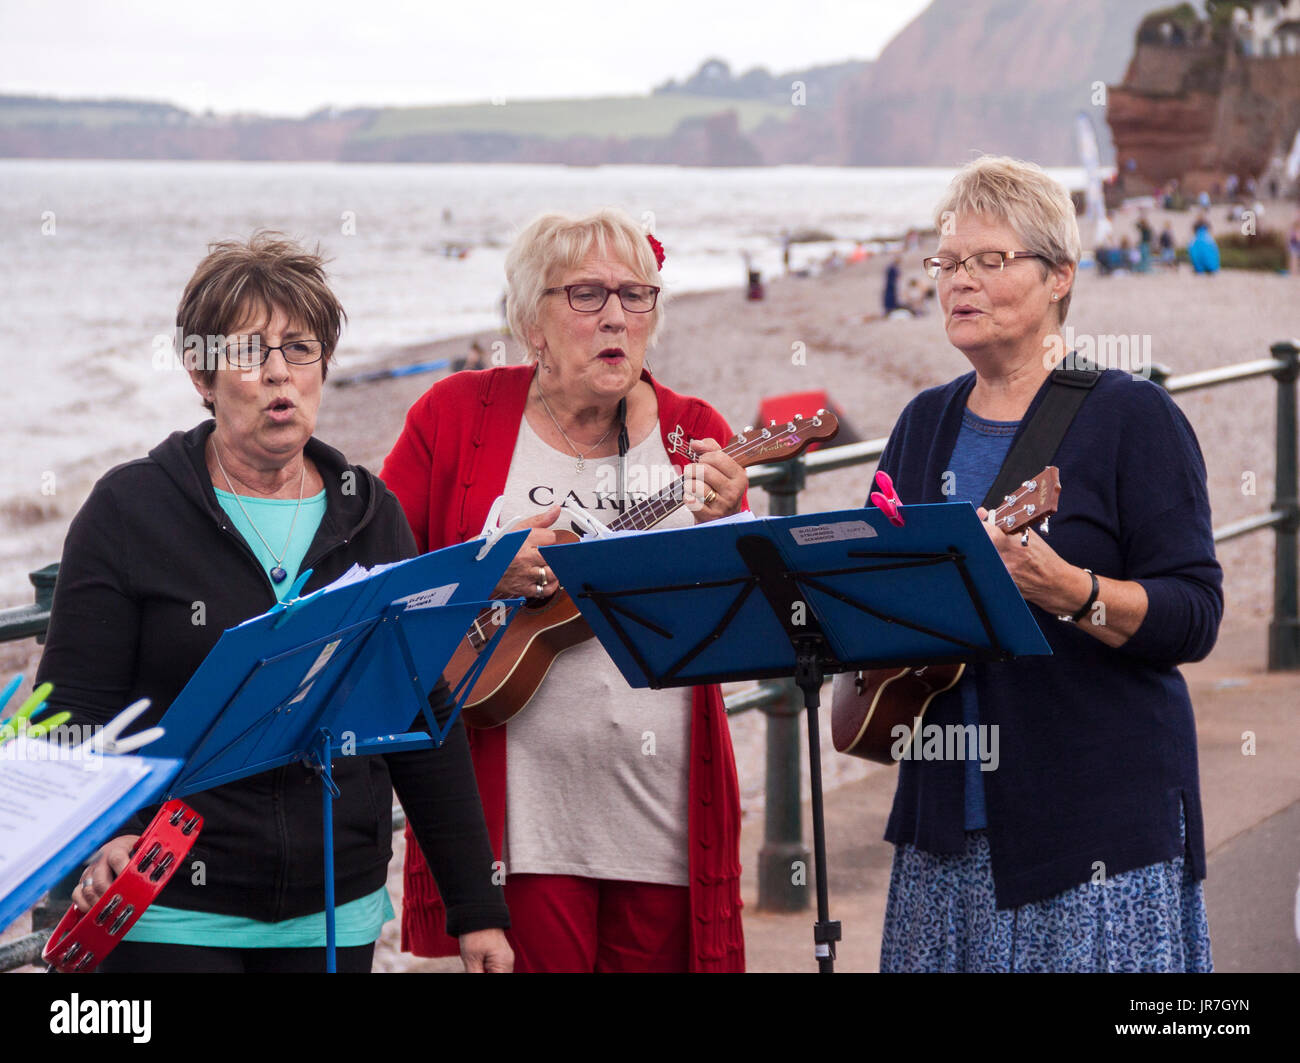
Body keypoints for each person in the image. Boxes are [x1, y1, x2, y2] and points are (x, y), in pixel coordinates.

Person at [36, 232, 512, 974]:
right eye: (249, 352)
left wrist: (475, 908)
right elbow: (70, 713)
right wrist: (109, 837)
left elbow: (421, 710)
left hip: (336, 907)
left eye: (300, 348)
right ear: (201, 371)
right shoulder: (129, 510)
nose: (279, 373)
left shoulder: (370, 511)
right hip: (170, 907)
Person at [873, 156, 1222, 973]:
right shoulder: (921, 424)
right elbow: (878, 587)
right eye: (949, 263)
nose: (960, 282)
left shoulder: (1133, 416)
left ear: (1060, 276)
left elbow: (1196, 613)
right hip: (943, 827)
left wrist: (1076, 593)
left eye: (989, 261)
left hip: (1095, 827)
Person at [381, 209, 748, 973]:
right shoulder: (454, 416)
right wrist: (484, 571)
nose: (616, 314)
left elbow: (737, 629)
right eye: (586, 294)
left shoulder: (694, 430)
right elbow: (377, 587)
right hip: (519, 828)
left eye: (635, 294)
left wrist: (730, 525)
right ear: (531, 323)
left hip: (663, 815)